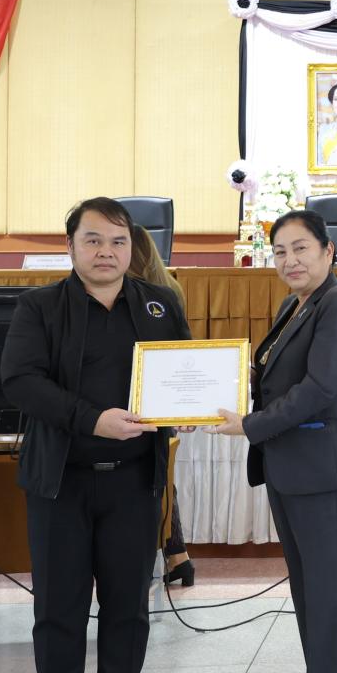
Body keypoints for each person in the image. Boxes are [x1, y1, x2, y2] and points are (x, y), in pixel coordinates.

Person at [0, 197, 190, 673]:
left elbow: (184, 370)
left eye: (118, 241)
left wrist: (191, 409)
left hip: (133, 483)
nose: (106, 252)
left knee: (129, 605)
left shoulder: (159, 304)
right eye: (94, 240)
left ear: (133, 248)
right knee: (59, 606)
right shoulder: (39, 306)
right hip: (60, 483)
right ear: (71, 246)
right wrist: (92, 420)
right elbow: (20, 381)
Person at [210, 208, 337, 673]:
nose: (290, 260)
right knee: (308, 599)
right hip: (291, 469)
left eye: (301, 248)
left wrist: (251, 425)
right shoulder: (294, 305)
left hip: (324, 473)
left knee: (328, 602)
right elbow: (274, 377)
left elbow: (320, 388)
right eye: (280, 251)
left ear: (328, 251)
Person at [127, 224, 196, 588]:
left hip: (137, 403)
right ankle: (177, 554)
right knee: (161, 475)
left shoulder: (138, 295)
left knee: (153, 479)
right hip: (164, 399)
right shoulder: (170, 288)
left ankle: (174, 554)